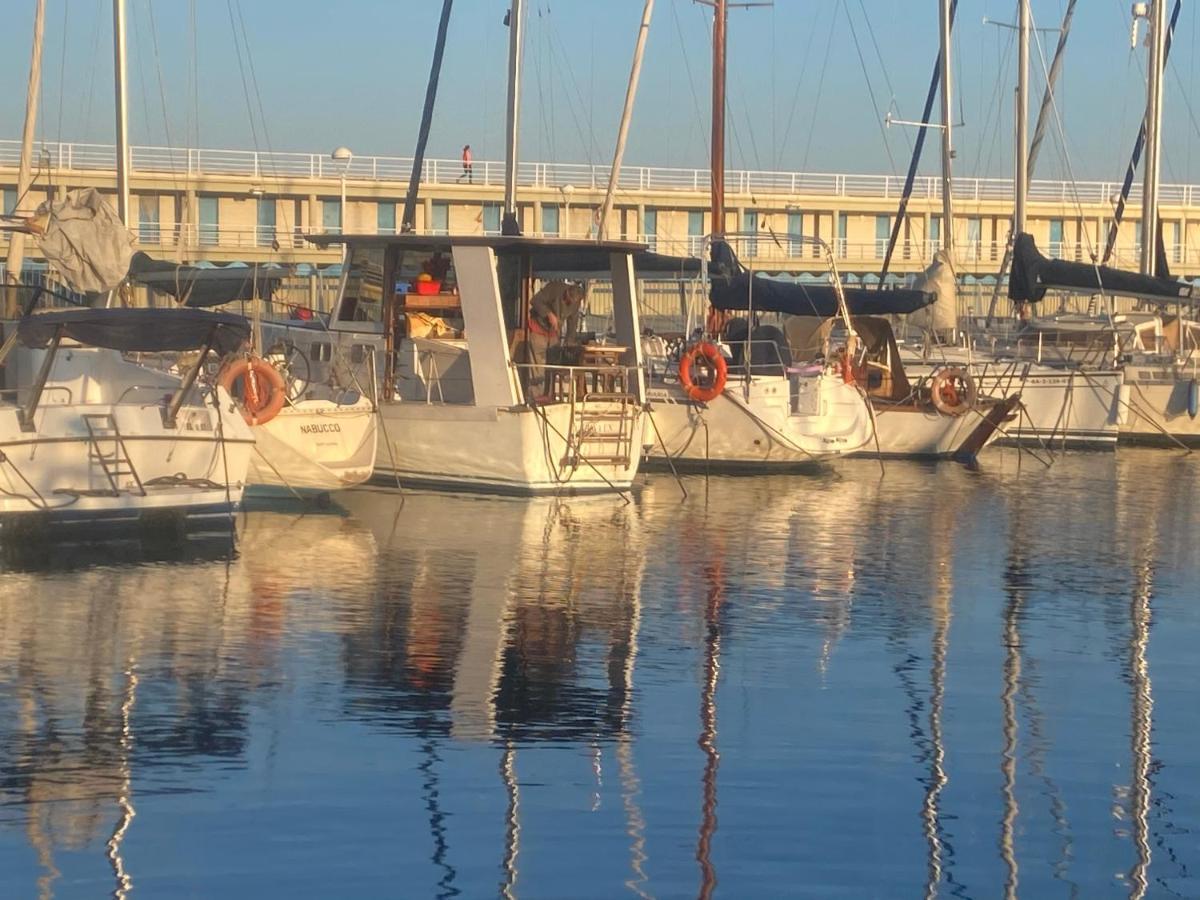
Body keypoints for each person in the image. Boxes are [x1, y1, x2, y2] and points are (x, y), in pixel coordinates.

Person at [526, 280, 585, 386]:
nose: (569, 303)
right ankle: (536, 395)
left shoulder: (575, 303)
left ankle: (549, 395)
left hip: (553, 334)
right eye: (568, 300)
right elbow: (535, 300)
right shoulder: (554, 287)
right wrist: (549, 314)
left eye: (572, 302)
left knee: (553, 365)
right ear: (567, 292)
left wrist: (570, 341)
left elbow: (572, 322)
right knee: (537, 365)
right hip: (538, 329)